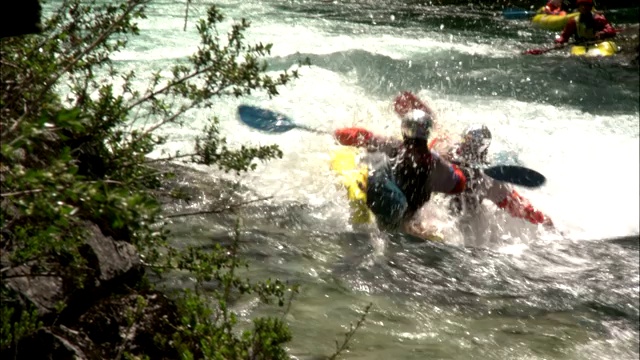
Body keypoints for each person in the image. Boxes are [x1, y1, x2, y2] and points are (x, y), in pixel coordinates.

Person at [333, 106, 468, 236]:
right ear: (427, 132)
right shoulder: (435, 162)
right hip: (405, 217)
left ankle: (365, 186)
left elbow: (361, 136)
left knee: (376, 161)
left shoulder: (392, 146)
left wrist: (337, 134)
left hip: (387, 202)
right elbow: (459, 184)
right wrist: (452, 164)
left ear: (404, 129)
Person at [430, 124, 555, 230]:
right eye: (466, 144)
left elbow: (518, 206)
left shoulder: (489, 180)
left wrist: (543, 219)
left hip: (460, 217)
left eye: (471, 147)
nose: (466, 150)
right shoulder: (446, 151)